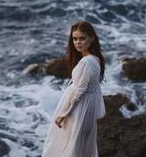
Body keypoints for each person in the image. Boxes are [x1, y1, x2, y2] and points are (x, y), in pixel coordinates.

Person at [42, 21, 106, 157]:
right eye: (75, 39)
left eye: (82, 38)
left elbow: (78, 91)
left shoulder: (86, 62)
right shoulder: (95, 59)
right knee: (81, 145)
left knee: (71, 144)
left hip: (79, 109)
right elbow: (94, 89)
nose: (78, 42)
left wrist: (63, 113)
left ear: (92, 38)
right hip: (88, 107)